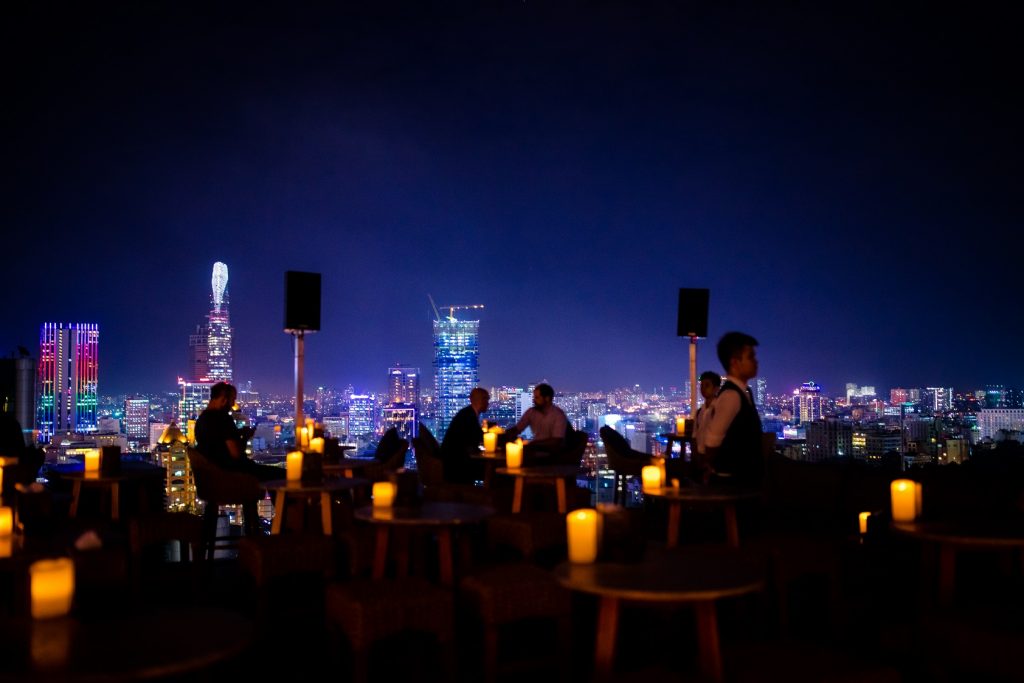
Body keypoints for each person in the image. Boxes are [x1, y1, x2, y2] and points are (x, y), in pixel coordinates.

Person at [702, 332, 764, 485]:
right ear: (735, 363)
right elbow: (711, 442)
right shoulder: (731, 396)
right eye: (750, 357)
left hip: (739, 480)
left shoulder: (743, 392)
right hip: (732, 483)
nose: (756, 362)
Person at [194, 382, 279, 482]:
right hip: (235, 474)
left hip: (214, 477)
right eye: (232, 400)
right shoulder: (223, 419)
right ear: (223, 400)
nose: (233, 404)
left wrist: (238, 433)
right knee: (283, 476)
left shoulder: (201, 420)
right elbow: (236, 455)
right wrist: (246, 436)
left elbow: (218, 441)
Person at [440, 387, 490, 484]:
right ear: (481, 400)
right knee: (493, 470)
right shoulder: (469, 417)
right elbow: (478, 439)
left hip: (454, 463)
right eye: (487, 399)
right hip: (457, 466)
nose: (488, 403)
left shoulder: (467, 413)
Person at [506, 383, 568, 455]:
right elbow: (518, 428)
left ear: (547, 398)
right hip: (536, 450)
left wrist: (533, 444)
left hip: (554, 455)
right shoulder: (531, 412)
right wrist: (507, 434)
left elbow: (557, 441)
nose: (534, 400)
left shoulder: (558, 415)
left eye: (537, 398)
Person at [692, 370, 722, 462]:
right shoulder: (700, 412)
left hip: (715, 458)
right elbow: (695, 435)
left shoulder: (719, 410)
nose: (703, 389)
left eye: (707, 385)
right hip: (700, 456)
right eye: (701, 385)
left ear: (716, 388)